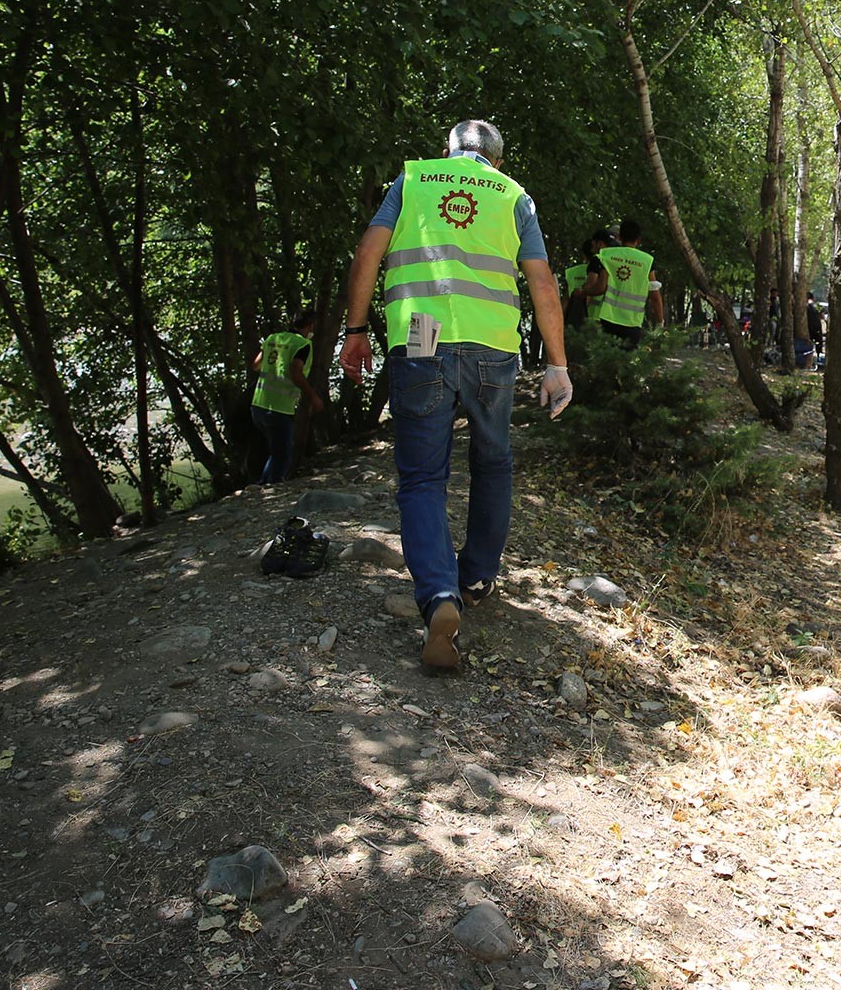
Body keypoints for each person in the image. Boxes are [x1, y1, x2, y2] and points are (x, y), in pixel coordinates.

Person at [338, 120, 573, 671]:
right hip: (491, 343)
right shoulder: (514, 195)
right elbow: (541, 281)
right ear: (494, 156)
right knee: (493, 463)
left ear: (450, 150)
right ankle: (476, 577)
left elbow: (370, 249)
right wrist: (557, 364)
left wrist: (354, 330)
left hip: (423, 332)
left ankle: (439, 596)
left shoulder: (415, 179)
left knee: (423, 477)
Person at [251, 310, 325, 485]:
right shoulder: (302, 344)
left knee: (275, 452)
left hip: (258, 405)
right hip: (279, 408)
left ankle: (263, 486)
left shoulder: (272, 338)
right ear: (311, 325)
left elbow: (256, 365)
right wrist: (313, 397)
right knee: (282, 454)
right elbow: (296, 372)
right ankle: (272, 489)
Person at [597, 219, 662, 348]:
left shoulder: (607, 255)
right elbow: (654, 295)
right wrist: (660, 321)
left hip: (608, 319)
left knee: (607, 360)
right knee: (627, 363)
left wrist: (584, 292)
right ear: (639, 239)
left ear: (620, 237)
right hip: (632, 322)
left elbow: (600, 287)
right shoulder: (647, 261)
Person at [564, 229, 616, 329]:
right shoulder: (615, 263)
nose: (593, 251)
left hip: (587, 320)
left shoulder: (597, 261)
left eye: (593, 246)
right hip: (610, 319)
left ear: (599, 244)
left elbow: (590, 287)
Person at [805, 294, 825, 367]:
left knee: (809, 346)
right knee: (819, 346)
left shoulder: (805, 306)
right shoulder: (817, 305)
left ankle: (809, 363)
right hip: (817, 327)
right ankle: (818, 362)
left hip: (809, 327)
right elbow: (822, 316)